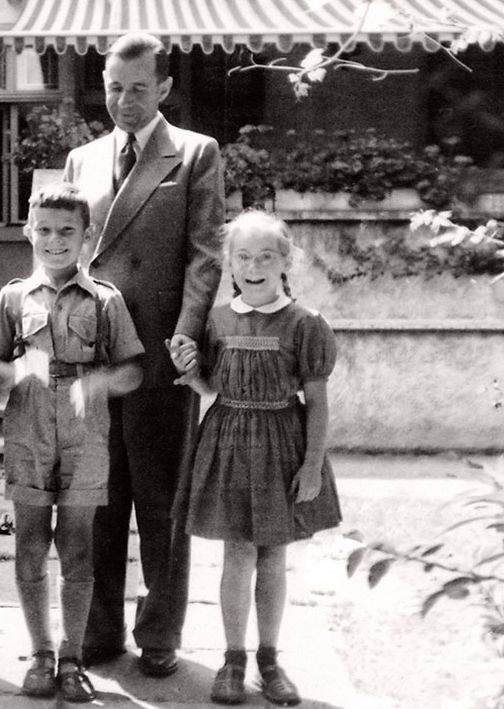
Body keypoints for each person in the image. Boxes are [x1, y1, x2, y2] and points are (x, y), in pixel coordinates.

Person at [62, 31, 224, 676]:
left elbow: (206, 254)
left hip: (160, 353)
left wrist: (185, 336)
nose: (124, 101)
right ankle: (99, 630)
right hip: (95, 358)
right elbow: (66, 255)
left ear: (163, 89)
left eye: (137, 89)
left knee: (162, 505)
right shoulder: (83, 159)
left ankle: (159, 635)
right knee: (98, 503)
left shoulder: (193, 154)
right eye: (113, 88)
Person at [168, 211, 342, 707]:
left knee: (273, 555)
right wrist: (190, 373)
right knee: (236, 554)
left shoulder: (305, 324)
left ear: (286, 261)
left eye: (266, 256)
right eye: (242, 257)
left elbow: (318, 401)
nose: (253, 266)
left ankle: (269, 658)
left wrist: (311, 465)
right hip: (226, 443)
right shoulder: (218, 319)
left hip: (282, 446)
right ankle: (233, 658)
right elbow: (212, 385)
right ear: (229, 263)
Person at [0, 183, 144, 703]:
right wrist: (14, 370)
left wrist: (99, 383)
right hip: (29, 430)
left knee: (77, 547)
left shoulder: (106, 300)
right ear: (30, 232)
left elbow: (132, 371)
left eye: (67, 231)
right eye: (45, 230)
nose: (55, 241)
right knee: (29, 545)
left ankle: (72, 656)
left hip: (84, 435)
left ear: (87, 236)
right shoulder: (11, 298)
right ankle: (40, 652)